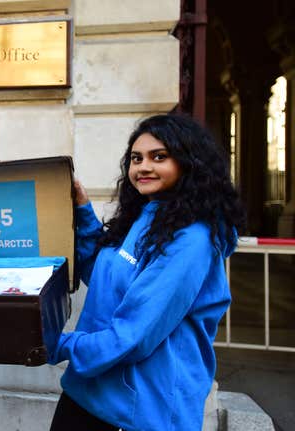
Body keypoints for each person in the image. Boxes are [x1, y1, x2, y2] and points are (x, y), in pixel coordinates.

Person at [48, 114, 246, 431]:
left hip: (142, 409)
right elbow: (104, 280)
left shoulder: (191, 240)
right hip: (89, 390)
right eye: (136, 158)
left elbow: (134, 335)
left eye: (159, 157)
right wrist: (83, 213)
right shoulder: (147, 214)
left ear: (189, 163)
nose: (143, 167)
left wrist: (53, 344)